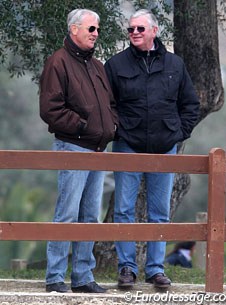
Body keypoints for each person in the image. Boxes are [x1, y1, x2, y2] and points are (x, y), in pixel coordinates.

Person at [104, 9, 200, 289]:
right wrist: (118, 132)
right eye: (131, 29)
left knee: (159, 210)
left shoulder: (175, 65)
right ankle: (126, 267)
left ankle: (156, 269)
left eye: (140, 29)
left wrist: (177, 134)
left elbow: (190, 104)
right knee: (123, 209)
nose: (134, 33)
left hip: (164, 148)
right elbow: (106, 105)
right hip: (127, 146)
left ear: (154, 31)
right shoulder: (115, 64)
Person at [39, 8, 118, 293]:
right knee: (67, 214)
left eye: (97, 29)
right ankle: (55, 277)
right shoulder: (57, 62)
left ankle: (83, 277)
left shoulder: (97, 66)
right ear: (74, 29)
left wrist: (112, 126)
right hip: (72, 146)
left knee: (89, 217)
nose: (96, 34)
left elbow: (109, 104)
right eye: (91, 29)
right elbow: (50, 109)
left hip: (98, 149)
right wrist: (83, 126)